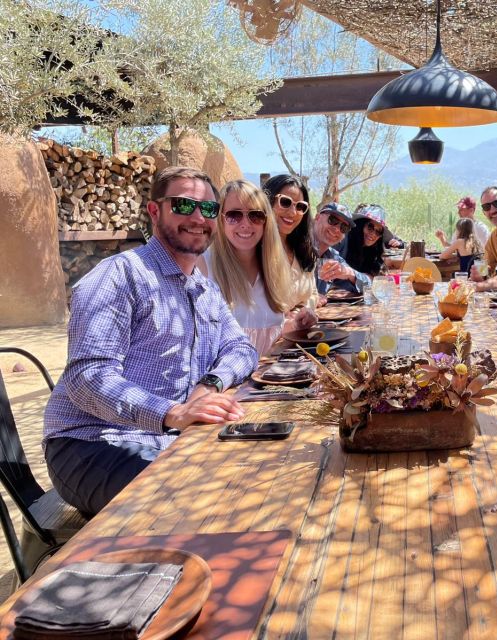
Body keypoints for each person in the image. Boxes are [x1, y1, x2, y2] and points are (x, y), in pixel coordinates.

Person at [42, 166, 258, 516]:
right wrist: (173, 412)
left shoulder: (205, 287)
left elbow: (242, 349)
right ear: (154, 211)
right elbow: (88, 377)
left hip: (169, 438)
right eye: (184, 206)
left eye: (209, 209)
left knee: (254, 475)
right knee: (207, 501)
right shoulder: (119, 276)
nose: (198, 217)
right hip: (92, 444)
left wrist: (210, 384)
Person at [197, 179, 316, 356]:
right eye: (234, 215)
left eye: (255, 215)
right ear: (221, 219)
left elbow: (265, 332)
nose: (245, 223)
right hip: (224, 381)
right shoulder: (203, 267)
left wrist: (296, 325)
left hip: (269, 378)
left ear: (265, 221)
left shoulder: (275, 267)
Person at [264, 174, 320, 311]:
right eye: (285, 202)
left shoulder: (304, 251)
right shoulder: (255, 251)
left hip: (303, 330)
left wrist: (304, 310)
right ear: (267, 201)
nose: (293, 212)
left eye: (300, 206)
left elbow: (313, 294)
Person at [312, 201, 371, 295]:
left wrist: (349, 273)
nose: (337, 229)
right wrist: (311, 300)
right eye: (333, 220)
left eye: (344, 227)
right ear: (317, 218)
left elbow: (369, 286)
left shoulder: (332, 257)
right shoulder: (295, 248)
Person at [340, 204, 388, 277]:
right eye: (370, 227)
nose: (373, 234)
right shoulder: (343, 242)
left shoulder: (369, 252)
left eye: (378, 232)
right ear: (360, 225)